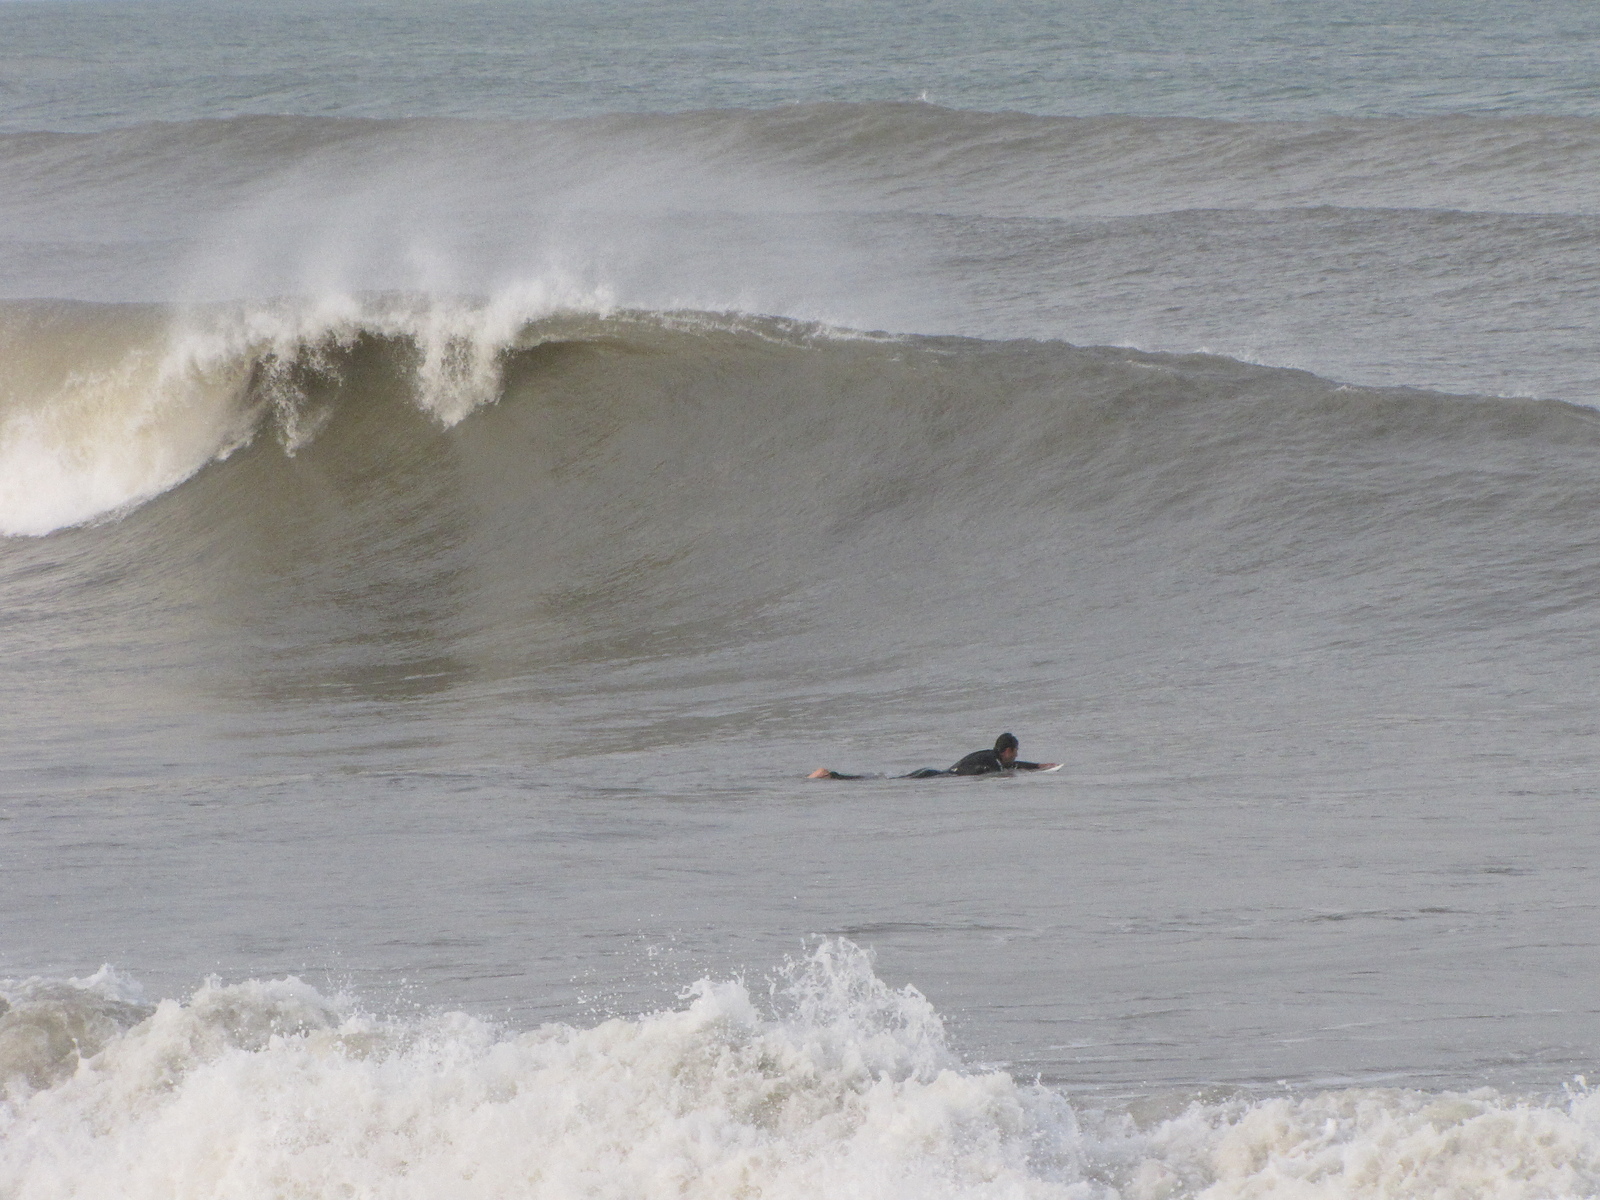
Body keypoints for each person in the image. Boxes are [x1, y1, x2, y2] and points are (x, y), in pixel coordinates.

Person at [808, 732, 1058, 779]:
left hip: (931, 773)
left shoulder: (989, 756)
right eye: (1015, 753)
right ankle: (831, 775)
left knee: (885, 780)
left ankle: (833, 775)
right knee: (881, 782)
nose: (1016, 757)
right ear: (1007, 751)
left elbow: (1010, 767)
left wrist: (1037, 766)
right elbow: (1003, 770)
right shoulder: (990, 763)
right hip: (931, 776)